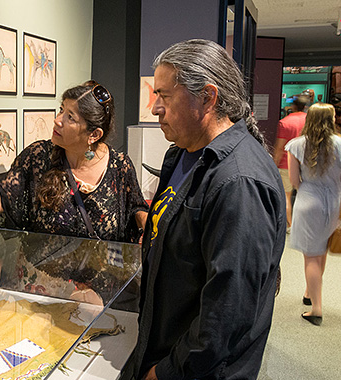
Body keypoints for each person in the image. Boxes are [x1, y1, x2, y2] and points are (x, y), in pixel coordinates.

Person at [121, 39, 286, 380]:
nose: (155, 108)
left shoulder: (239, 182)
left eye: (165, 96)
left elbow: (227, 312)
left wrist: (166, 372)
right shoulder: (182, 153)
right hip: (165, 346)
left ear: (208, 97)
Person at [0, 81, 149, 300]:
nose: (57, 120)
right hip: (43, 294)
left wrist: (146, 223)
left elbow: (135, 206)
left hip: (100, 299)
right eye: (62, 109)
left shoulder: (120, 166)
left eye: (70, 117)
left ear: (94, 134)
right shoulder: (38, 157)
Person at [285, 103, 341, 326]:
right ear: (331, 119)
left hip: (309, 201)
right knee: (322, 250)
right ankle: (310, 292)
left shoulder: (297, 145)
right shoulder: (340, 144)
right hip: (335, 201)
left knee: (311, 256)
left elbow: (295, 181)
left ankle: (316, 309)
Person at [272, 94, 309, 231]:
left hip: (286, 164)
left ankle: (289, 225)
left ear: (293, 106)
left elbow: (280, 147)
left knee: (286, 196)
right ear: (305, 107)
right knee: (306, 196)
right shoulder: (310, 121)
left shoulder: (285, 122)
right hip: (307, 164)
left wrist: (274, 164)